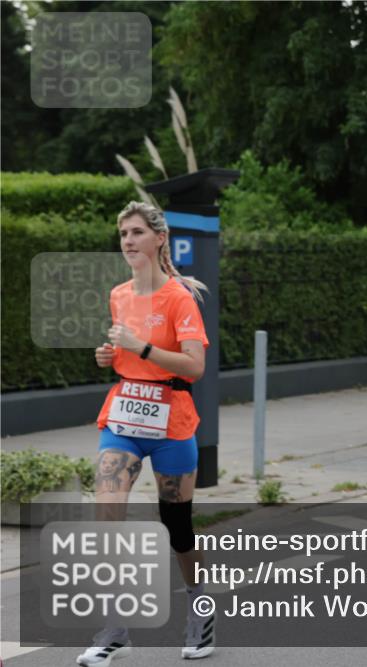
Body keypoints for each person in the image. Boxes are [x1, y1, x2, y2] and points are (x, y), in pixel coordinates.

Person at [78, 202, 214, 667]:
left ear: (159, 238)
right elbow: (124, 355)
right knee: (106, 513)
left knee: (176, 526)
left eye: (137, 233)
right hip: (124, 416)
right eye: (123, 235)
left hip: (171, 419)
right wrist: (110, 355)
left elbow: (195, 366)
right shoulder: (118, 295)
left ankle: (199, 610)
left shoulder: (179, 297)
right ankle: (114, 627)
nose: (128, 241)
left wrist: (144, 348)